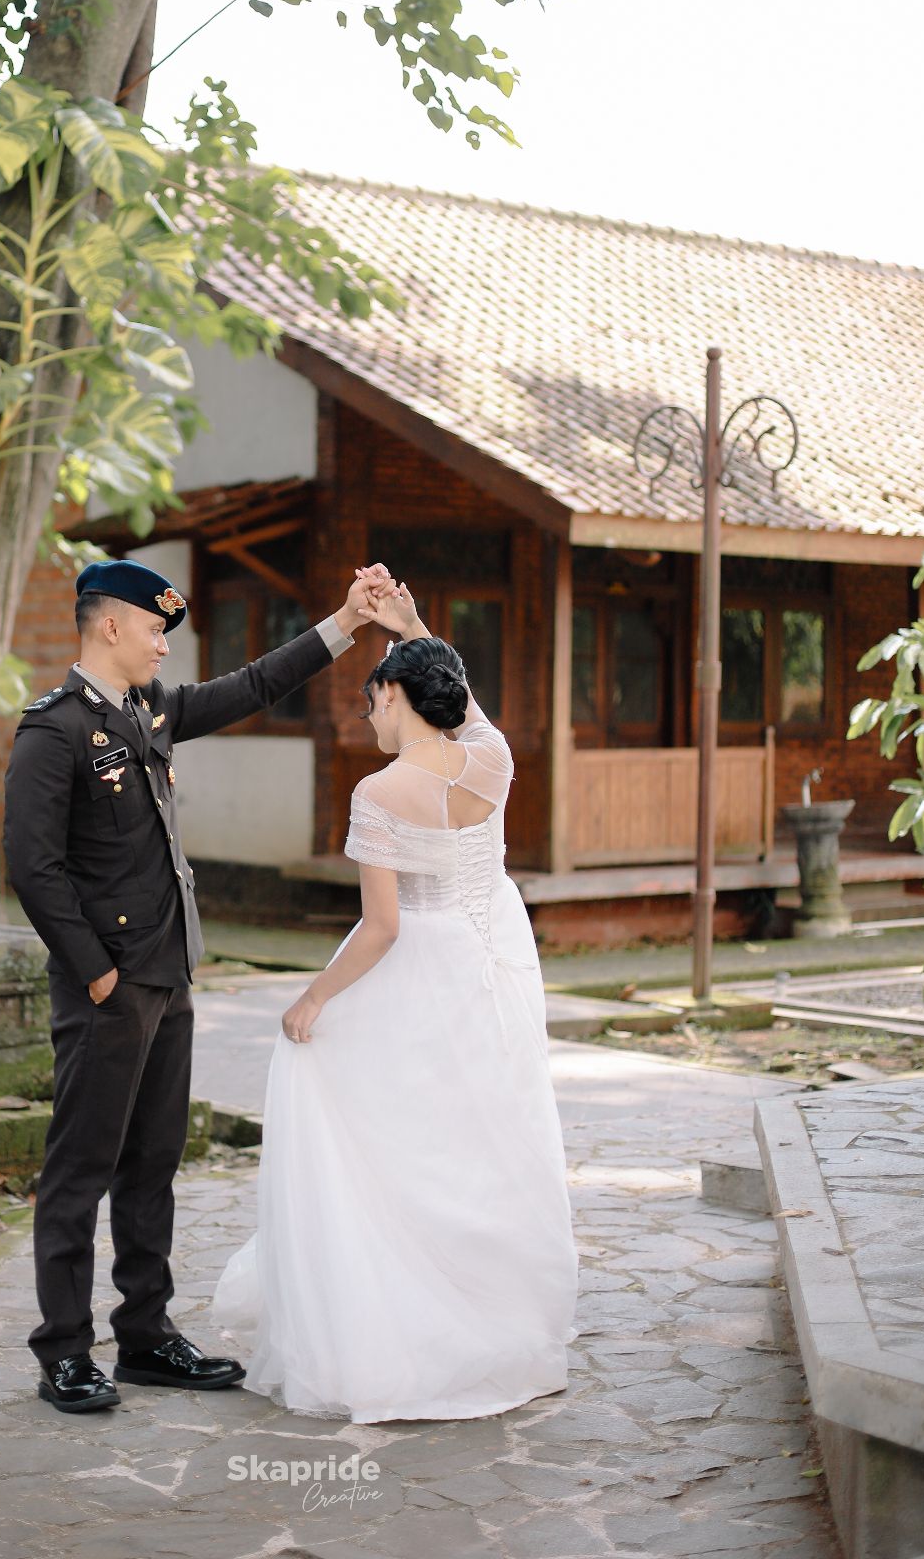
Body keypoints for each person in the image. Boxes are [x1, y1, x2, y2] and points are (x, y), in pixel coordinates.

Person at [3, 554, 388, 1414]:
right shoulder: (53, 732)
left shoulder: (149, 711)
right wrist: (96, 972)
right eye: (154, 629)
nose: (162, 646)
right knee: (80, 1170)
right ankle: (64, 1350)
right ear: (110, 625)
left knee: (153, 1164)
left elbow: (254, 685)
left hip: (168, 975)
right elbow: (33, 868)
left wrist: (346, 622)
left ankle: (145, 1336)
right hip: (109, 987)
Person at [211, 576, 579, 1423]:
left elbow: (381, 929)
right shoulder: (492, 758)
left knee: (377, 1125)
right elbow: (462, 700)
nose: (367, 716)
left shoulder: (378, 794)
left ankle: (390, 1323)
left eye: (372, 699)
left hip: (418, 967)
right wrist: (412, 627)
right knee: (480, 1139)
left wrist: (312, 999)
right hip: (491, 965)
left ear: (395, 696)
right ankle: (498, 1326)